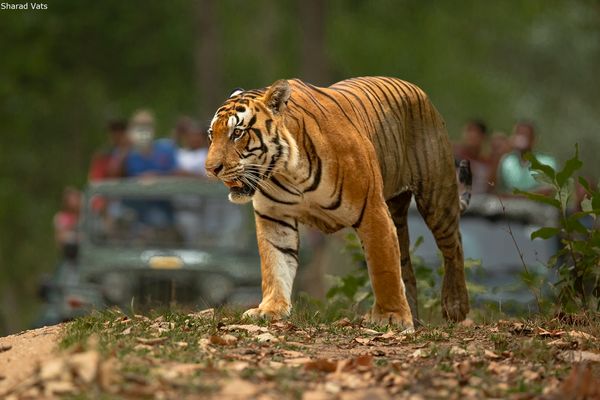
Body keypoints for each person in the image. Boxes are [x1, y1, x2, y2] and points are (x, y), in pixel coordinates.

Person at [497, 121, 557, 193]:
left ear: (534, 140)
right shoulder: (507, 162)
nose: (521, 139)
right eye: (519, 134)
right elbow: (496, 188)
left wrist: (519, 196)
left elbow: (548, 190)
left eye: (526, 135)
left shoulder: (547, 162)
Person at [124, 110, 177, 177]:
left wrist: (157, 175)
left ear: (154, 128)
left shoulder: (167, 148)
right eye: (139, 126)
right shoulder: (128, 153)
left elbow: (176, 173)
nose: (143, 130)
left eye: (147, 126)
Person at [454, 119, 492, 194]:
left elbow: (490, 186)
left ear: (483, 136)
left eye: (474, 132)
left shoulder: (487, 162)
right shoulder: (456, 156)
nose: (470, 135)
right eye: (468, 131)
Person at [53, 187, 81, 260]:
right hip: (71, 255)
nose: (75, 201)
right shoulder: (61, 217)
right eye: (71, 199)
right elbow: (60, 237)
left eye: (76, 198)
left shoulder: (86, 215)